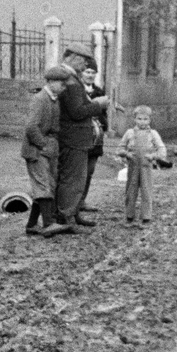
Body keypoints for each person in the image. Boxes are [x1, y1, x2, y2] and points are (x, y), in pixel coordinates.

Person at [53, 46, 110, 232]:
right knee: (72, 180)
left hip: (76, 138)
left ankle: (73, 213)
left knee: (77, 179)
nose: (85, 63)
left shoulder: (70, 77)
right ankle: (66, 218)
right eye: (83, 59)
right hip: (73, 138)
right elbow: (77, 112)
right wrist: (98, 105)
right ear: (71, 58)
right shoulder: (69, 80)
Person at [23, 65, 73, 237]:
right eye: (62, 84)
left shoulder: (53, 99)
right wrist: (42, 144)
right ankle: (48, 223)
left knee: (48, 185)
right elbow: (31, 127)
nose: (64, 88)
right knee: (43, 185)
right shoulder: (40, 99)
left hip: (49, 147)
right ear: (51, 82)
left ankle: (31, 225)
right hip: (37, 150)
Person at [119, 105, 167, 225]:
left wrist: (152, 156)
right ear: (134, 119)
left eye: (145, 119)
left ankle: (146, 217)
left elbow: (162, 151)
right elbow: (120, 148)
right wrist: (126, 154)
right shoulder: (129, 133)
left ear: (149, 120)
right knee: (131, 191)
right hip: (133, 166)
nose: (142, 122)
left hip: (146, 166)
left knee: (146, 191)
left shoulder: (153, 134)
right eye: (139, 119)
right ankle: (129, 216)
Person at [79, 64, 109, 214]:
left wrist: (103, 125)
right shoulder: (77, 91)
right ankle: (73, 202)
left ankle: (82, 200)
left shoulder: (99, 91)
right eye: (87, 71)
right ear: (82, 73)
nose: (90, 75)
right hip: (81, 135)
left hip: (96, 136)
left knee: (90, 170)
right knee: (78, 170)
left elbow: (104, 113)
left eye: (93, 72)